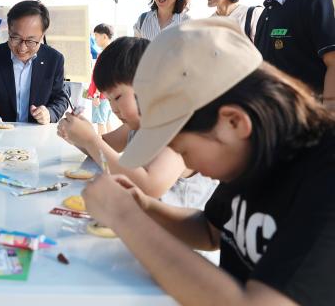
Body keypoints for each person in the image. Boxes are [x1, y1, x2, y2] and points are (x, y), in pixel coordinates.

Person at [83, 17, 335, 306]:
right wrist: (144, 205)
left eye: (184, 150)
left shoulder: (324, 172)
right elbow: (211, 231)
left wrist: (124, 217)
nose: (187, 162)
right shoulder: (251, 152)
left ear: (234, 121)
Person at [58, 37, 217, 208]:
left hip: (180, 230)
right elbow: (103, 148)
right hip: (144, 219)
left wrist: (90, 140)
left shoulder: (177, 131)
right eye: (109, 100)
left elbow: (149, 186)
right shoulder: (137, 125)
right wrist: (76, 136)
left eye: (117, 97)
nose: (114, 108)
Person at [0, 0, 69, 125]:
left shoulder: (54, 60)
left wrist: (49, 113)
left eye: (31, 41)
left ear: (42, 35)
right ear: (9, 30)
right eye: (15, 38)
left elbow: (60, 97)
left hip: (36, 136)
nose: (22, 48)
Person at [87, 23, 114, 135]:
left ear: (104, 36)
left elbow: (101, 76)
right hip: (108, 94)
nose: (95, 39)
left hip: (101, 95)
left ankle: (101, 149)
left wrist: (96, 95)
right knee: (106, 120)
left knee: (100, 122)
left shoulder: (103, 54)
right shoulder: (113, 52)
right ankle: (112, 146)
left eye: (96, 36)